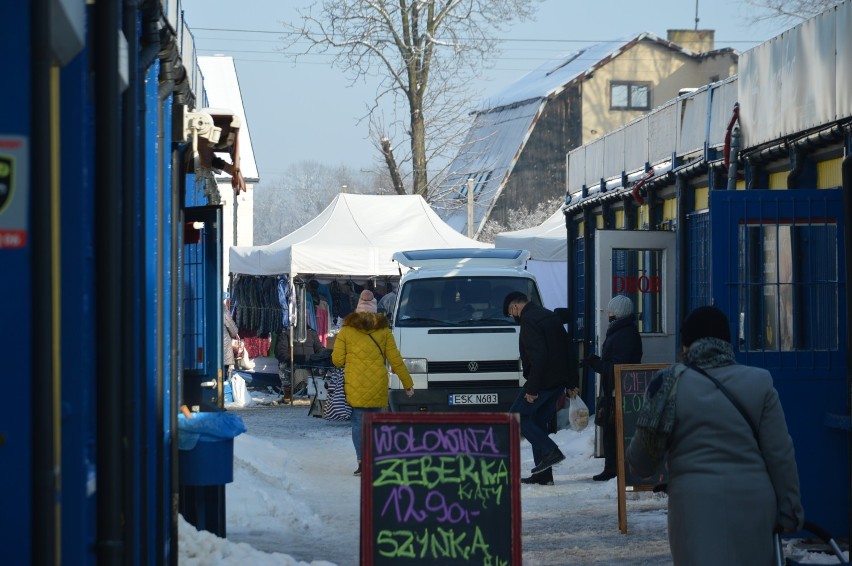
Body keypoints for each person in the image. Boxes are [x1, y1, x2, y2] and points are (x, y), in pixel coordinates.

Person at [627, 306, 804, 565]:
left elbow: (642, 460)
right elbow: (780, 454)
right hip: (753, 504)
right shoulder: (760, 382)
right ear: (727, 342)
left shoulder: (668, 384)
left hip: (694, 507)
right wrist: (790, 510)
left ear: (685, 345)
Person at [332, 290, 415, 476]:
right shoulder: (384, 330)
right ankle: (378, 461)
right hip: (378, 385)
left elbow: (337, 360)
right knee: (379, 424)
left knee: (358, 425)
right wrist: (407, 383)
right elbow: (395, 360)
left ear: (358, 306)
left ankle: (362, 463)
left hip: (355, 385)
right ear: (375, 307)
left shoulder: (346, 330)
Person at [503, 291, 577, 486]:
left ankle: (551, 450)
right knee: (537, 421)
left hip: (542, 381)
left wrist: (532, 389)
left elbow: (539, 357)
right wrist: (571, 382)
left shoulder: (529, 321)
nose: (515, 318)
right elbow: (568, 349)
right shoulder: (549, 315)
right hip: (557, 381)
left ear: (514, 307)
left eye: (512, 314)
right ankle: (543, 474)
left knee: (517, 417)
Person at [584, 294, 642, 481]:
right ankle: (612, 467)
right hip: (614, 388)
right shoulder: (620, 331)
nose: (608, 313)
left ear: (619, 313)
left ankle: (614, 469)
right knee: (610, 429)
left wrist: (596, 363)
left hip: (620, 390)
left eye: (611, 310)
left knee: (614, 430)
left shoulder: (624, 334)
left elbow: (618, 367)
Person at [275, 326, 326, 396]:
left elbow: (320, 349)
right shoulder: (286, 333)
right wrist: (293, 359)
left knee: (322, 365)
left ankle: (316, 397)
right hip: (293, 365)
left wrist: (320, 357)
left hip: (310, 365)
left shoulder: (312, 333)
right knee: (283, 365)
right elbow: (280, 352)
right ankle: (288, 394)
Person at [223, 299, 240, 383]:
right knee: (223, 379)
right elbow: (233, 331)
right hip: (223, 352)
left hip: (208, 353)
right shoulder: (223, 311)